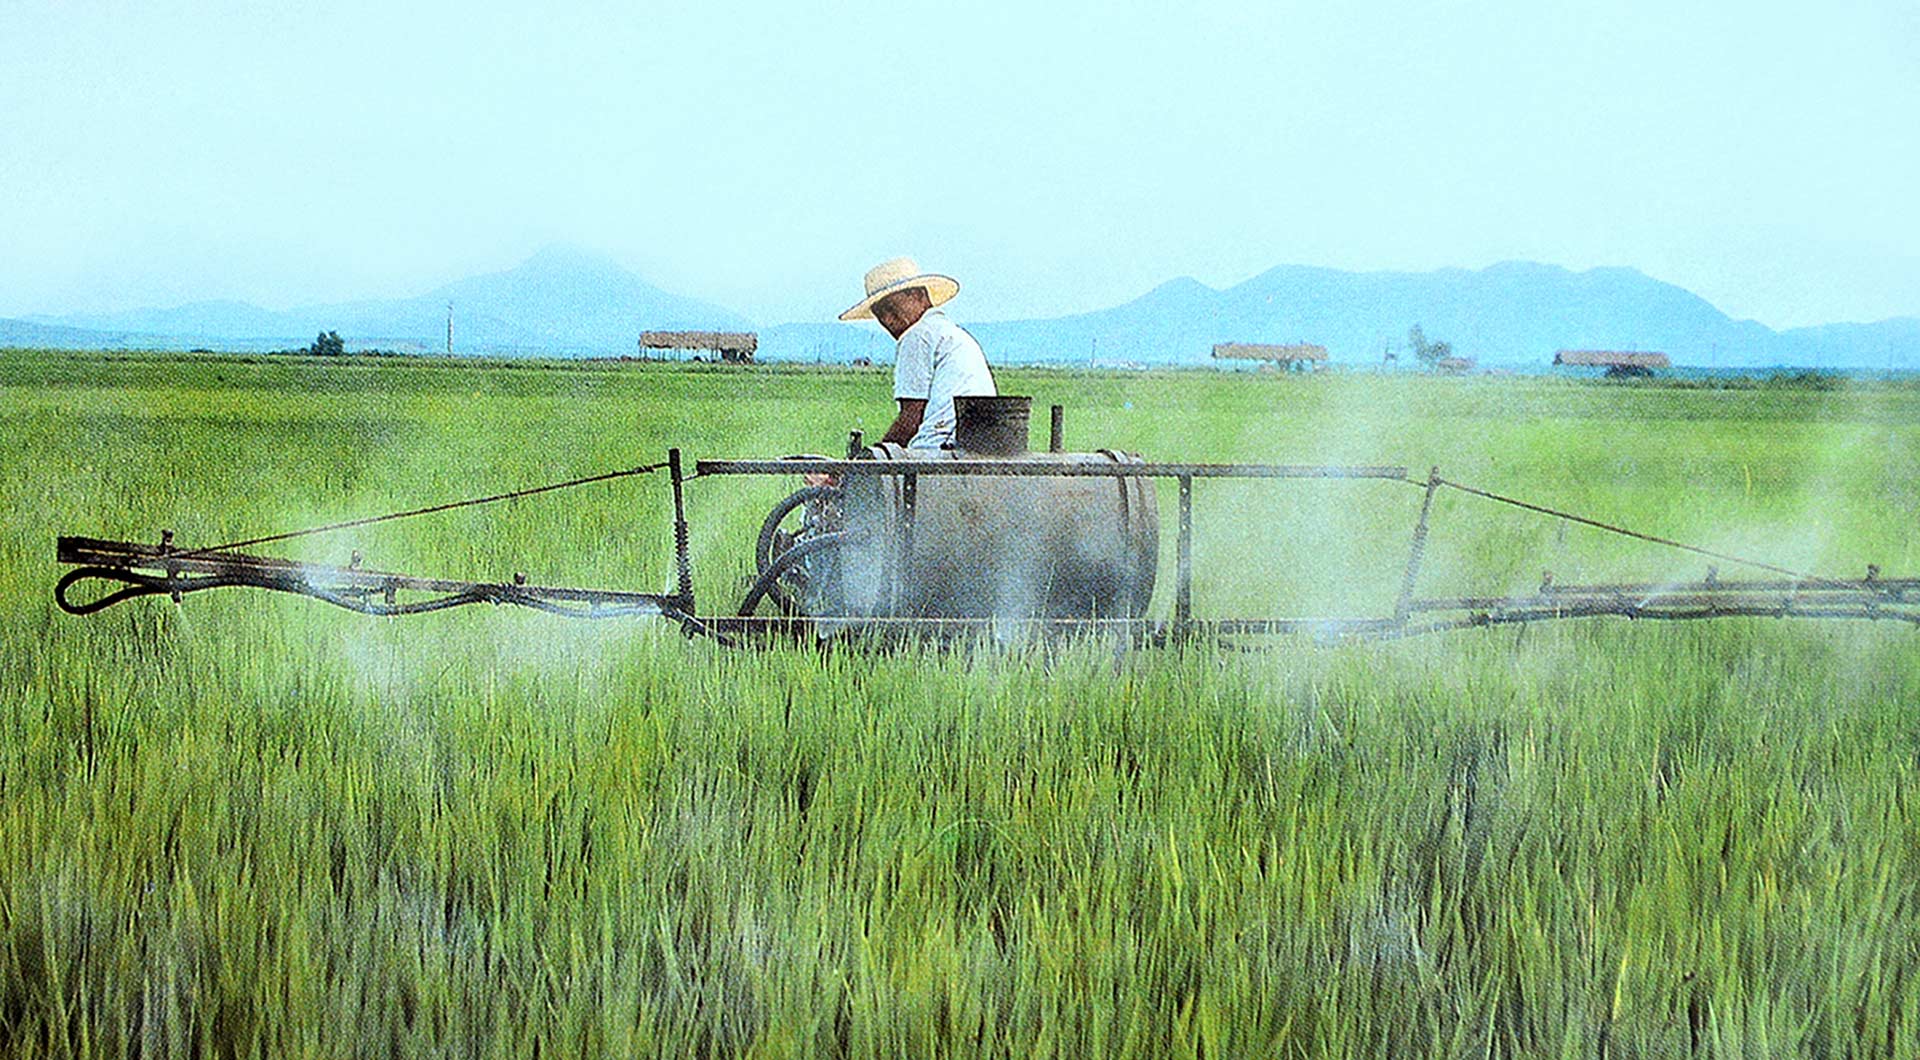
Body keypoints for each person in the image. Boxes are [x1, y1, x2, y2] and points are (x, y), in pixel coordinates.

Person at [839, 257, 996, 449]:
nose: (888, 319)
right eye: (880, 314)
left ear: (920, 295)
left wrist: (870, 463)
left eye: (892, 307)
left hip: (937, 446)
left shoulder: (917, 336)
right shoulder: (953, 334)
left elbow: (911, 419)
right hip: (979, 444)